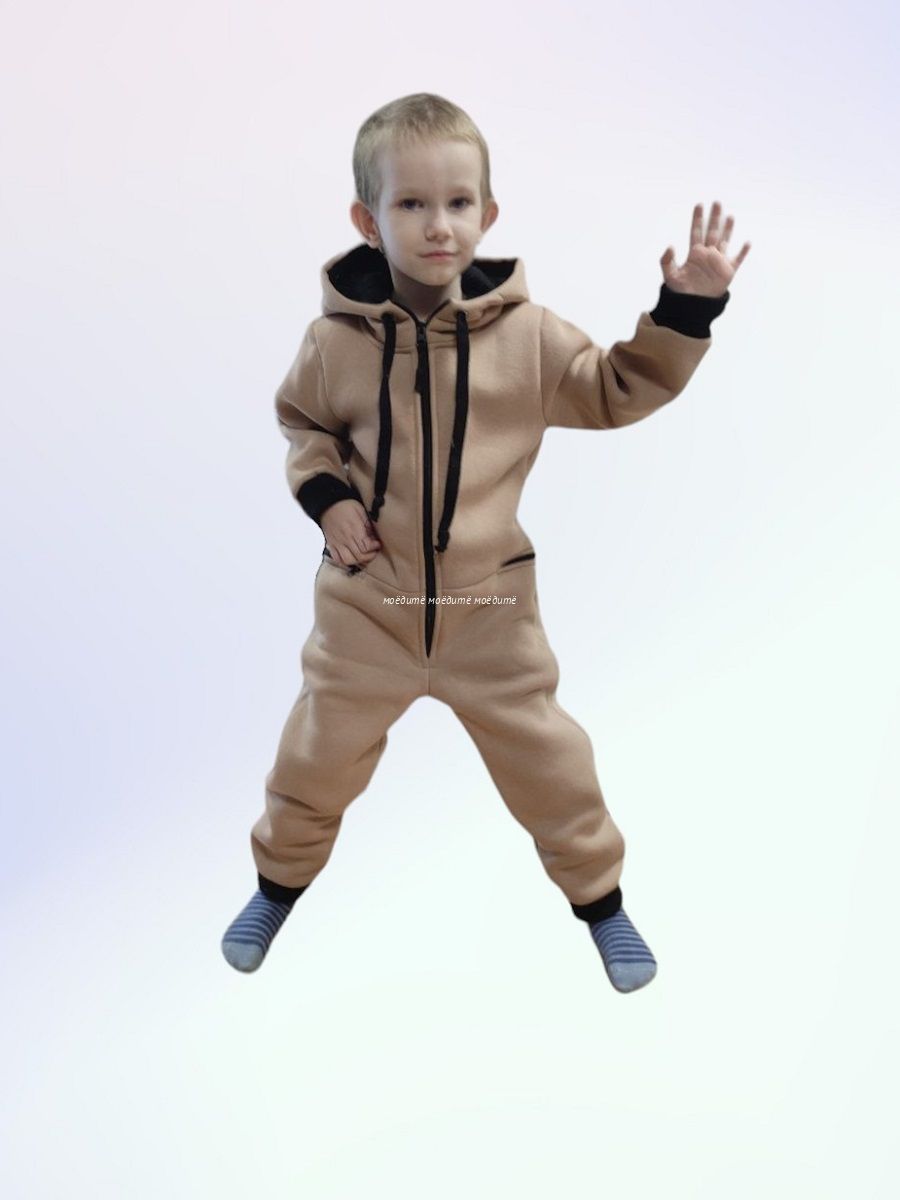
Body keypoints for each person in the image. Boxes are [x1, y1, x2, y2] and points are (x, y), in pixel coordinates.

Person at [221, 92, 750, 991]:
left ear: (488, 214)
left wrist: (685, 311)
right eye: (411, 203)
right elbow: (303, 425)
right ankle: (277, 887)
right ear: (367, 219)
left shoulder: (528, 338)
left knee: (552, 763)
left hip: (489, 607)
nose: (439, 225)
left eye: (458, 202)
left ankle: (603, 906)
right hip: (369, 603)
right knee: (314, 755)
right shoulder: (333, 342)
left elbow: (616, 387)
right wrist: (328, 499)